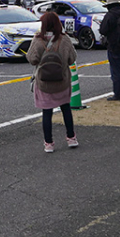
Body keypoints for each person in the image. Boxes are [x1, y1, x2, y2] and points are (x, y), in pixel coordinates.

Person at [26, 12, 78, 152]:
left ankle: (49, 143)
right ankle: (71, 138)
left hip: (44, 83)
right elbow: (72, 58)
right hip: (62, 81)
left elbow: (31, 59)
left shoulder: (38, 39)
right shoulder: (64, 39)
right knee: (66, 109)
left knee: (47, 113)